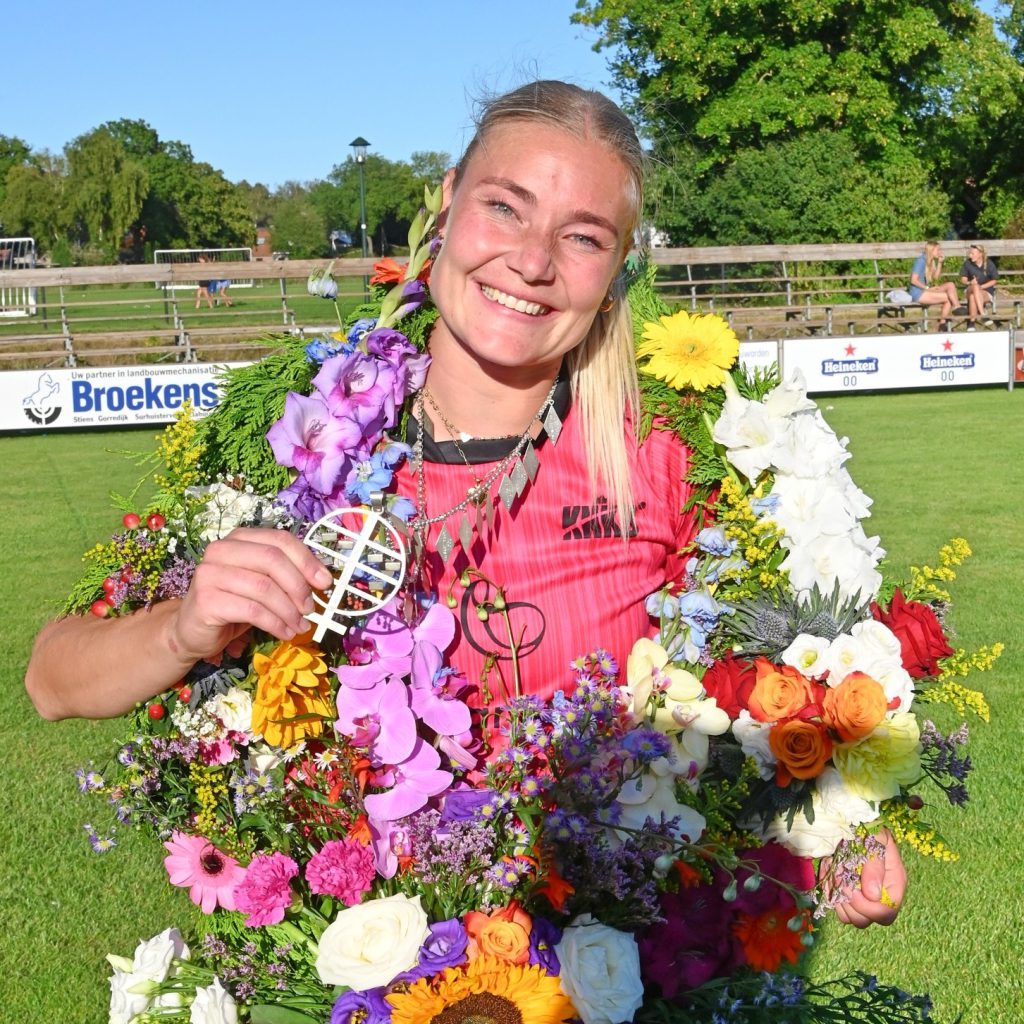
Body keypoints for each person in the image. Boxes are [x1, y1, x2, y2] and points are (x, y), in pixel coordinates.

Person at [24, 80, 904, 928]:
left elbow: (783, 715)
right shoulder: (302, 435)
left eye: (585, 237)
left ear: (619, 269)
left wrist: (844, 853)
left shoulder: (677, 457)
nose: (531, 262)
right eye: (504, 207)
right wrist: (185, 628)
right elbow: (52, 680)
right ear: (445, 205)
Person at [909, 240, 960, 331]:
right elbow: (913, 280)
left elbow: (935, 278)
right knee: (949, 298)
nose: (940, 252)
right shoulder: (921, 261)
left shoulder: (931, 261)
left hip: (926, 290)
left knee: (950, 285)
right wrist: (927, 288)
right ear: (931, 250)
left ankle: (957, 307)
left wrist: (940, 263)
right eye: (938, 250)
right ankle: (942, 324)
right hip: (918, 293)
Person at [960, 243, 997, 329]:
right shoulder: (967, 263)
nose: (970, 255)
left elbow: (994, 280)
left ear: (980, 254)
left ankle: (971, 323)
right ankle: (982, 314)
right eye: (970, 253)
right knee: (975, 287)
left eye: (972, 254)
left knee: (973, 297)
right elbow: (963, 280)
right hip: (970, 289)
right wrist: (970, 283)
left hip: (985, 291)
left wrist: (981, 287)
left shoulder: (989, 264)